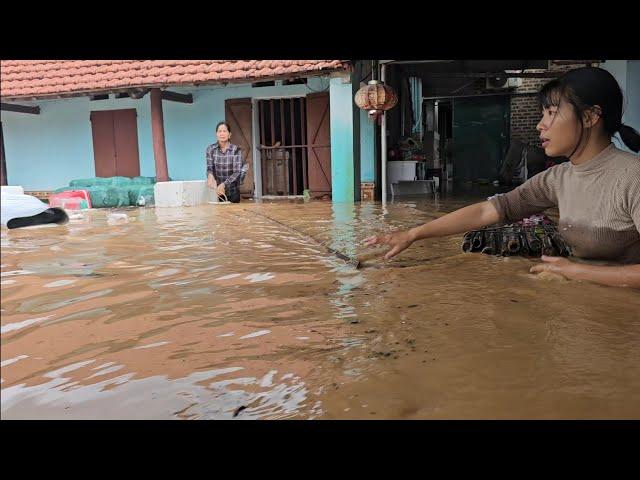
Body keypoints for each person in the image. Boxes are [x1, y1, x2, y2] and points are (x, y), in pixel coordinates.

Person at [364, 67, 640, 288]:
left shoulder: (632, 176)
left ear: (590, 116)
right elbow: (490, 210)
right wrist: (414, 234)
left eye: (552, 113)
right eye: (543, 114)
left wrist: (577, 271)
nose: (540, 124)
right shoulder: (557, 178)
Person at [205, 122, 248, 203]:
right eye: (219, 131)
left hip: (233, 191)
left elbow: (237, 172)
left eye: (224, 131)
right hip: (218, 192)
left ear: (229, 134)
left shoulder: (236, 150)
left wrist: (224, 184)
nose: (222, 133)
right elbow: (210, 168)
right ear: (216, 134)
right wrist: (210, 176)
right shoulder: (210, 149)